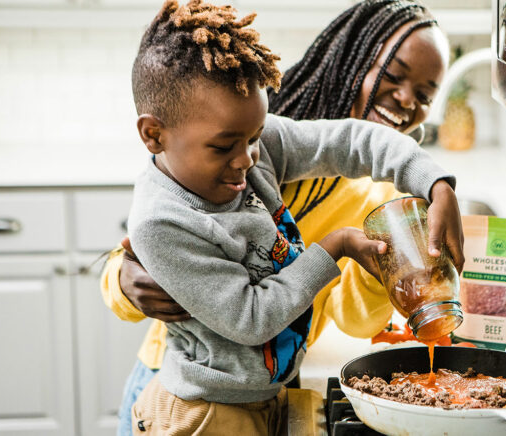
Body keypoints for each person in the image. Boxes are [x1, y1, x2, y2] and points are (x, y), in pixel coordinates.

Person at [100, 0, 462, 433]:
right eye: (394, 74)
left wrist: (434, 182)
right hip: (200, 407)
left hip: (267, 390)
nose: (247, 161)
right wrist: (121, 280)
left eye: (424, 94)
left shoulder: (251, 133)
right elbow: (250, 318)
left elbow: (355, 141)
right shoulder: (210, 138)